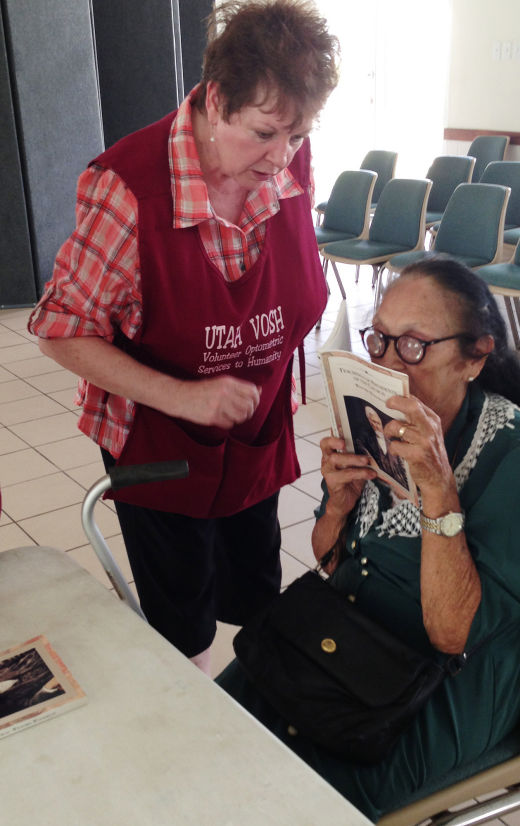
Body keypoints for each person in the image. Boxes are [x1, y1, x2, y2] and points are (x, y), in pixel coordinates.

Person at [27, 0, 339, 675]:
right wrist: (182, 395)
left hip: (252, 435)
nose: (281, 157)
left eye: (299, 135)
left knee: (254, 595)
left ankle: (255, 716)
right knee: (183, 621)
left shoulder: (285, 163)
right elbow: (59, 329)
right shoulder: (128, 189)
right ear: (216, 99)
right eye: (263, 133)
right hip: (159, 447)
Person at [217, 255, 520, 821]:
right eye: (378, 340)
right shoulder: (378, 422)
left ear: (475, 357)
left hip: (441, 682)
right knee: (209, 730)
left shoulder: (518, 454)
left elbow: (453, 635)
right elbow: (331, 561)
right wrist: (341, 502)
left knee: (279, 806)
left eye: (413, 345)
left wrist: (439, 489)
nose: (386, 364)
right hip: (346, 636)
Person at [352, 402, 409, 489]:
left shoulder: (394, 437)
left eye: (376, 423)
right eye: (372, 423)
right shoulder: (369, 441)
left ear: (381, 420)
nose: (375, 426)